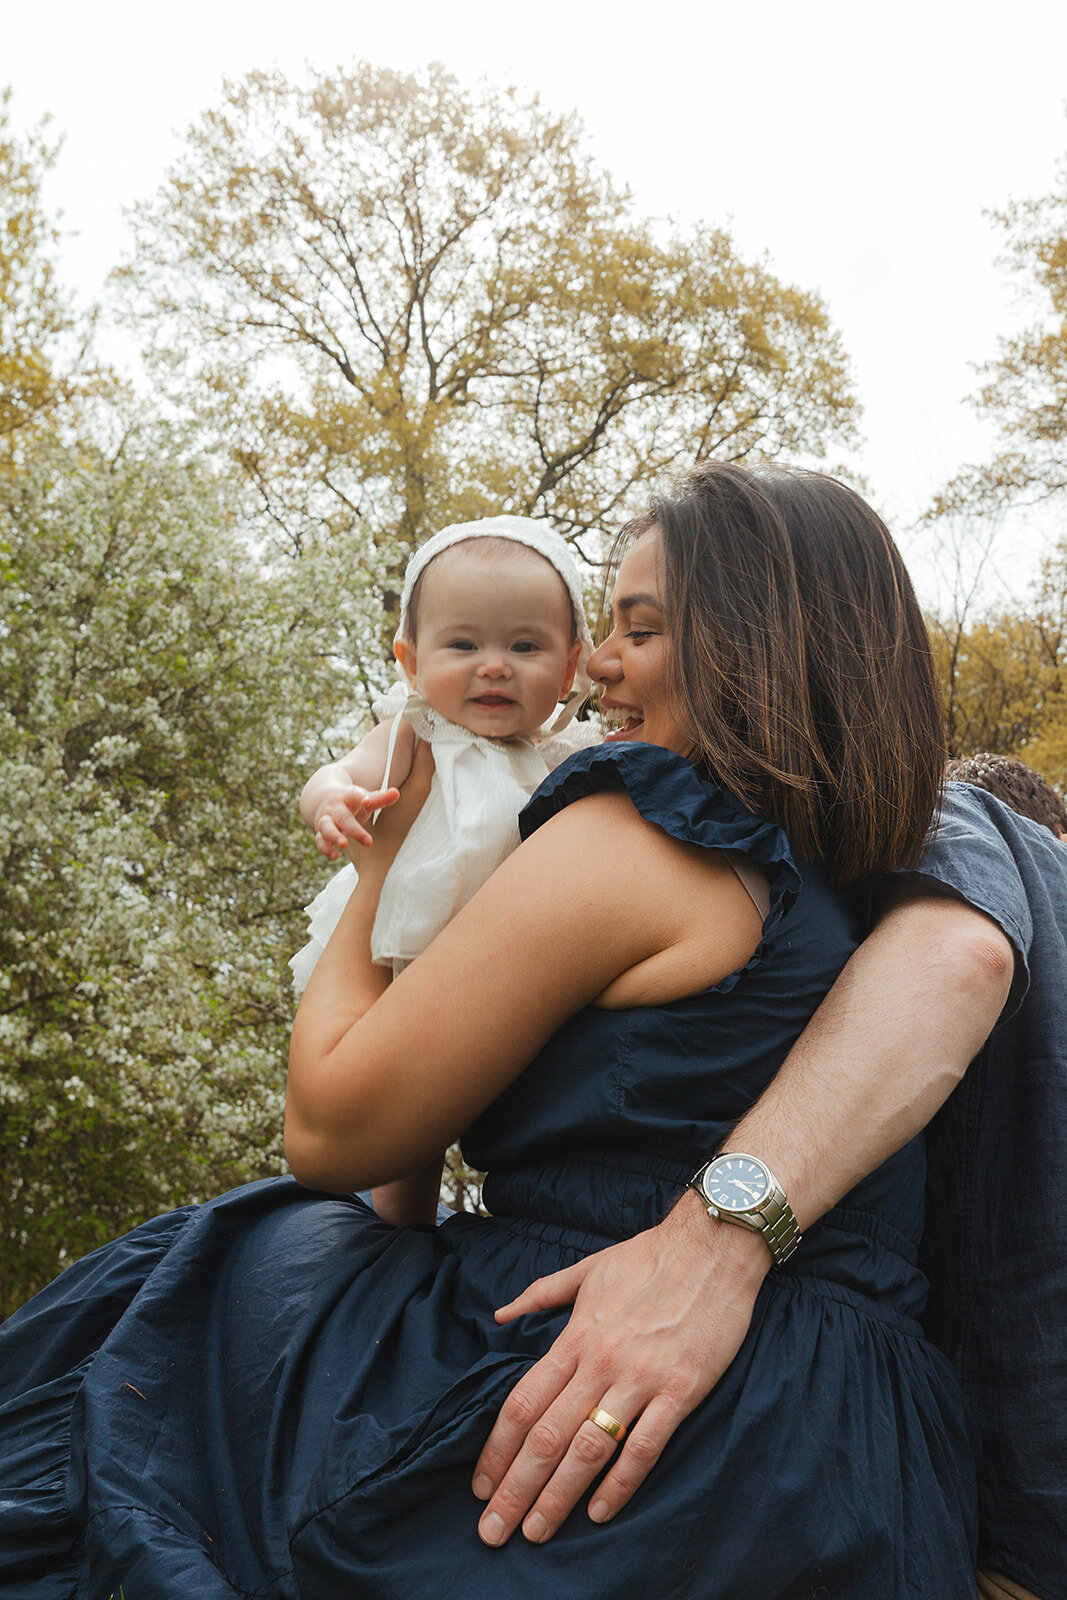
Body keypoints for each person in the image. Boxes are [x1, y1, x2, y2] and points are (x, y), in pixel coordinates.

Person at [0, 463, 985, 1598]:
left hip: (615, 1392)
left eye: (640, 628)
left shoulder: (635, 838)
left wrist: (381, 868)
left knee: (171, 1319)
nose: (596, 665)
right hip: (853, 1438)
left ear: (754, 644)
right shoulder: (867, 889)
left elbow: (331, 1125)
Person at [291, 514, 596, 1222]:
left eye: (525, 645)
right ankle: (401, 1230)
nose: (494, 665)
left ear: (572, 664)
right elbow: (336, 771)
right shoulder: (414, 731)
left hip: (508, 967)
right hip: (407, 946)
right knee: (402, 1118)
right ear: (410, 660)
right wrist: (332, 801)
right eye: (462, 643)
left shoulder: (567, 757)